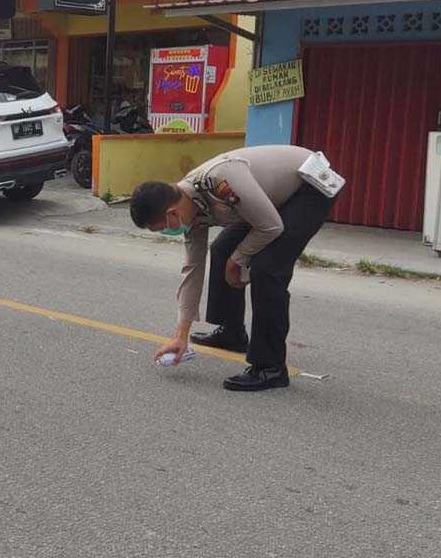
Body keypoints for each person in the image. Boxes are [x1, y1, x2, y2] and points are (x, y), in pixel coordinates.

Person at [128, 145, 340, 392]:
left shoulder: (219, 180)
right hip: (272, 198)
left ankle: (270, 368)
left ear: (172, 213)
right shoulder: (189, 209)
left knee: (266, 269)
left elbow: (271, 227)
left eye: (162, 228)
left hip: (310, 185)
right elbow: (192, 270)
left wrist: (238, 259)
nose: (167, 232)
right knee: (221, 250)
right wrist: (181, 335)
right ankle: (232, 332)